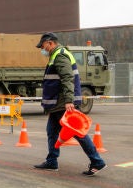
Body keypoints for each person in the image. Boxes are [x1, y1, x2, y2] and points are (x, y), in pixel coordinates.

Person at [33, 32, 107, 176]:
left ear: (50, 42)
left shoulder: (60, 55)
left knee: (77, 133)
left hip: (62, 102)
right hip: (57, 102)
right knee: (52, 132)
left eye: (43, 46)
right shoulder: (56, 54)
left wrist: (68, 101)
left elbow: (68, 78)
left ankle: (97, 161)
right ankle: (52, 161)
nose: (43, 49)